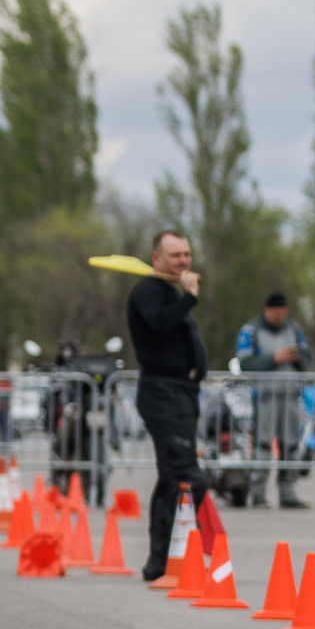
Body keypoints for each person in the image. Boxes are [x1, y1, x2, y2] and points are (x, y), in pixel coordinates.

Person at [128, 230, 210, 580]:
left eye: (187, 254)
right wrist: (189, 298)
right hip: (162, 393)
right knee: (189, 478)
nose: (183, 261)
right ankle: (183, 556)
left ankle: (160, 563)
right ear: (157, 258)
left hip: (182, 394)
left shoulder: (171, 292)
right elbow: (160, 324)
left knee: (170, 478)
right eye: (175, 255)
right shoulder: (148, 290)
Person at [236, 289, 311, 509]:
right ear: (266, 310)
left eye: (283, 311)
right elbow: (245, 363)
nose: (279, 316)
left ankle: (288, 493)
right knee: (263, 445)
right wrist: (273, 359)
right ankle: (258, 494)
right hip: (265, 398)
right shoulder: (251, 330)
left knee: (291, 444)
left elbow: (307, 358)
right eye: (275, 312)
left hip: (290, 397)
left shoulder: (294, 330)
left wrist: (298, 358)